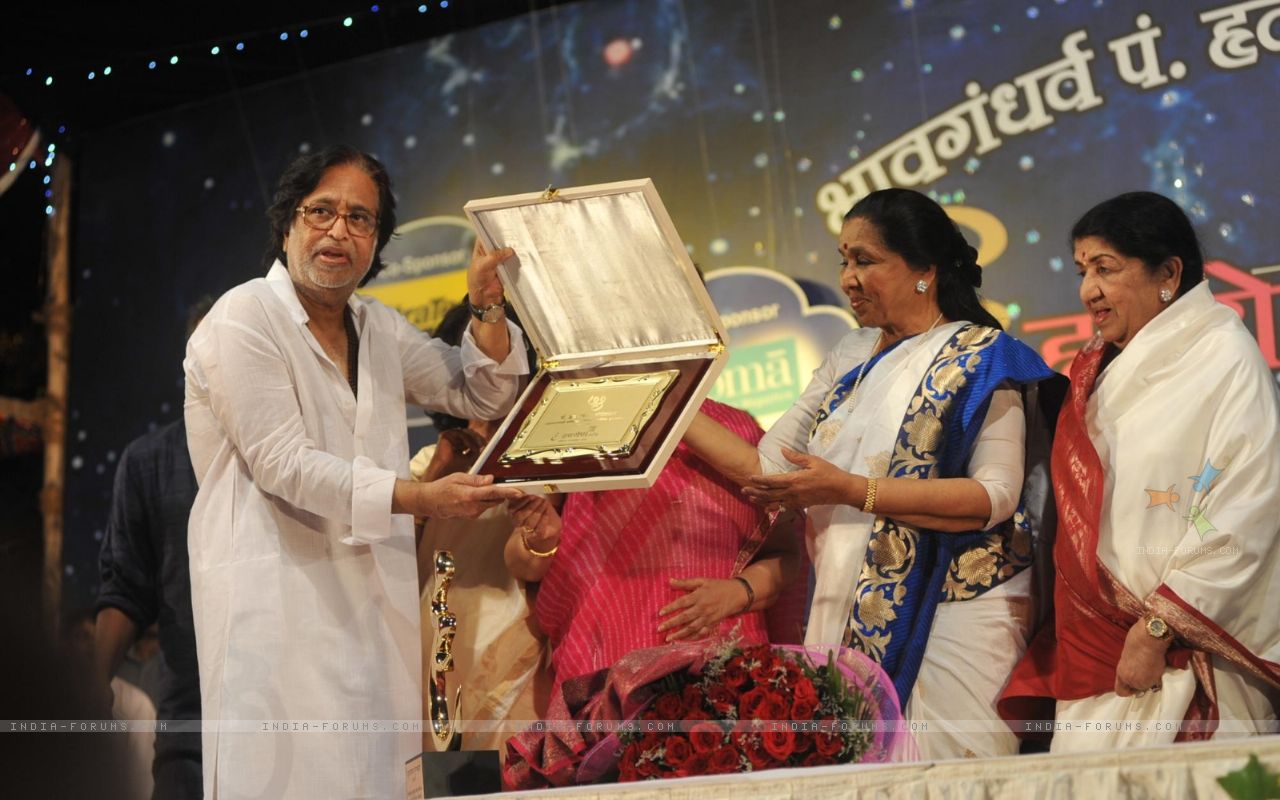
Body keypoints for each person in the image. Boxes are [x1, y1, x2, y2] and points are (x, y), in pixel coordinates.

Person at [183, 145, 528, 799]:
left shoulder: (379, 327)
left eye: (361, 219)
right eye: (322, 212)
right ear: (287, 225)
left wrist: (486, 309)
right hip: (279, 615)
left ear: (376, 243)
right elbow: (284, 463)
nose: (340, 230)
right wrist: (418, 496)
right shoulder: (243, 318)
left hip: (375, 617)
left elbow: (479, 395)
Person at [681, 187, 1057, 759]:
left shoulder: (983, 358)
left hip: (953, 612)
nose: (848, 277)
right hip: (842, 606)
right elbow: (767, 467)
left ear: (924, 271)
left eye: (865, 260)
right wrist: (665, 401)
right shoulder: (849, 356)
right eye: (844, 260)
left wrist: (852, 491)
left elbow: (995, 496)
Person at [999, 191, 1280, 750]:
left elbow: (1249, 506)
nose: (1088, 291)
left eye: (1105, 268)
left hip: (1185, 653)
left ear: (1169, 272)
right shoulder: (1098, 372)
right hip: (1094, 653)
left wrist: (1158, 628)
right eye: (1082, 271)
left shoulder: (1223, 356)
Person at [504, 397, 806, 700]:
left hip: (724, 659)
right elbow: (523, 565)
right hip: (605, 656)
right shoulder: (577, 426)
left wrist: (738, 592)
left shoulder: (737, 431)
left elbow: (786, 554)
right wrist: (542, 541)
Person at [411, 298, 547, 754]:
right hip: (433, 646)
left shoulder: (549, 460)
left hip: (515, 646)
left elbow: (546, 559)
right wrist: (437, 475)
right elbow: (390, 559)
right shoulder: (427, 463)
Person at [95, 297, 212, 800]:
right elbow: (125, 589)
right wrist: (91, 680)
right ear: (190, 363)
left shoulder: (291, 461)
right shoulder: (148, 463)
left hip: (289, 720)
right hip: (189, 730)